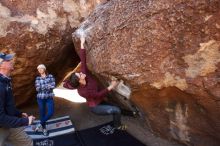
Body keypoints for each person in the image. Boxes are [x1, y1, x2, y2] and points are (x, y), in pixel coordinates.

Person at [64, 37, 129, 130]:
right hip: (95, 107)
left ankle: (131, 114)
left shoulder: (84, 74)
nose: (81, 73)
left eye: (80, 73)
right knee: (116, 110)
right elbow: (98, 95)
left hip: (100, 101)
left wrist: (82, 43)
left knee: (117, 107)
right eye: (80, 75)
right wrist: (111, 86)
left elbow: (83, 60)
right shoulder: (82, 91)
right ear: (79, 81)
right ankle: (117, 125)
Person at [0, 52, 35, 146]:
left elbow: (8, 104)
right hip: (1, 127)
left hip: (10, 123)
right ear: (1, 65)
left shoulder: (6, 81)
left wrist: (18, 113)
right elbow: (0, 118)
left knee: (28, 144)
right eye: (7, 60)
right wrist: (25, 121)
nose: (11, 61)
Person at [35, 64, 55, 136]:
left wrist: (43, 86)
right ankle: (44, 128)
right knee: (42, 114)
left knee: (51, 112)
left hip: (49, 97)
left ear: (44, 69)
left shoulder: (50, 76)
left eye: (41, 68)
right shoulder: (37, 78)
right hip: (40, 98)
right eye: (38, 69)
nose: (40, 70)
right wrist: (47, 86)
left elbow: (53, 85)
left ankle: (39, 124)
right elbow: (37, 88)